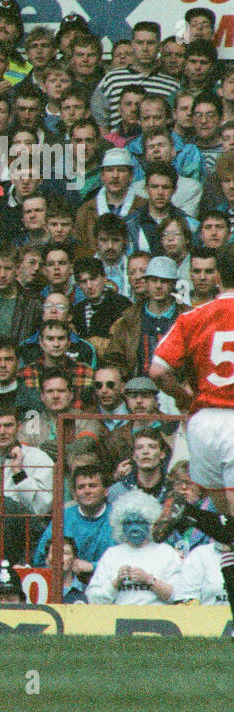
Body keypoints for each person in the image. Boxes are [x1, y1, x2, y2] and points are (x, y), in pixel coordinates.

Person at [151, 242, 234, 623]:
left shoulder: (195, 316)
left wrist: (186, 399)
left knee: (229, 528)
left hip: (202, 423)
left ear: (218, 276)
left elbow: (157, 370)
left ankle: (194, 516)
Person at [85, 490, 180, 606]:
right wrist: (116, 583)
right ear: (120, 525)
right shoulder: (112, 554)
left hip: (158, 621)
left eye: (139, 522)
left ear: (150, 523)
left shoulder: (166, 552)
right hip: (118, 620)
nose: (134, 527)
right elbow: (93, 599)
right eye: (129, 523)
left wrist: (149, 580)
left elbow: (180, 595)